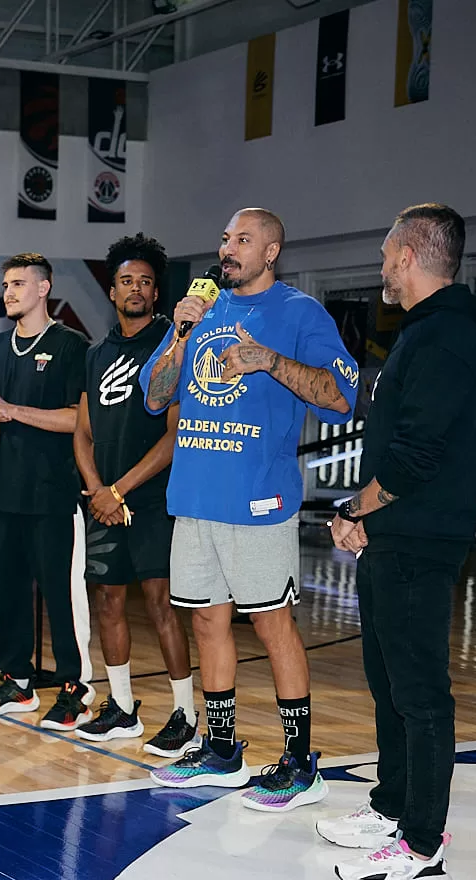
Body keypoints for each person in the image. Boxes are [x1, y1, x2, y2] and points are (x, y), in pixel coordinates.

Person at [140, 208, 357, 808]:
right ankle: (222, 750)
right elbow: (156, 399)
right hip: (195, 499)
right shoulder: (201, 310)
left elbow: (340, 395)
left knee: (270, 623)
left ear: (271, 251)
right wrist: (181, 333)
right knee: (207, 622)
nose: (227, 249)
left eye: (243, 240)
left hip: (259, 501)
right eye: (224, 238)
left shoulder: (300, 314)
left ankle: (299, 762)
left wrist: (269, 362)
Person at [321, 204, 476, 880]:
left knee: (421, 695)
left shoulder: (448, 335)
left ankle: (422, 846)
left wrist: (355, 507)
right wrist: (366, 519)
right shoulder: (424, 333)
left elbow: (419, 454)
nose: (383, 263)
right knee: (390, 685)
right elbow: (398, 446)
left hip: (422, 541)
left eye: (389, 251)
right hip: (396, 536)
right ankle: (394, 808)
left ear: (413, 254)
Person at [73, 234, 199, 755]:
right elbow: (82, 431)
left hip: (151, 500)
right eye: (127, 280)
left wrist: (120, 488)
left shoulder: (173, 345)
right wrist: (99, 489)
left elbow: (175, 435)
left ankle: (186, 715)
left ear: (156, 293)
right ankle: (122, 708)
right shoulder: (96, 352)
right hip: (105, 501)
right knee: (107, 602)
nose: (136, 289)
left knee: (161, 605)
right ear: (112, 290)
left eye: (146, 282)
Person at [0, 253, 95, 730]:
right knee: (7, 594)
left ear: (45, 289)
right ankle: (17, 681)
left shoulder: (71, 346)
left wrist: (12, 410)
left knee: (62, 596)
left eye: (19, 283)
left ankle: (75, 689)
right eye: (5, 285)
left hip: (52, 495)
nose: (9, 292)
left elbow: (78, 420)